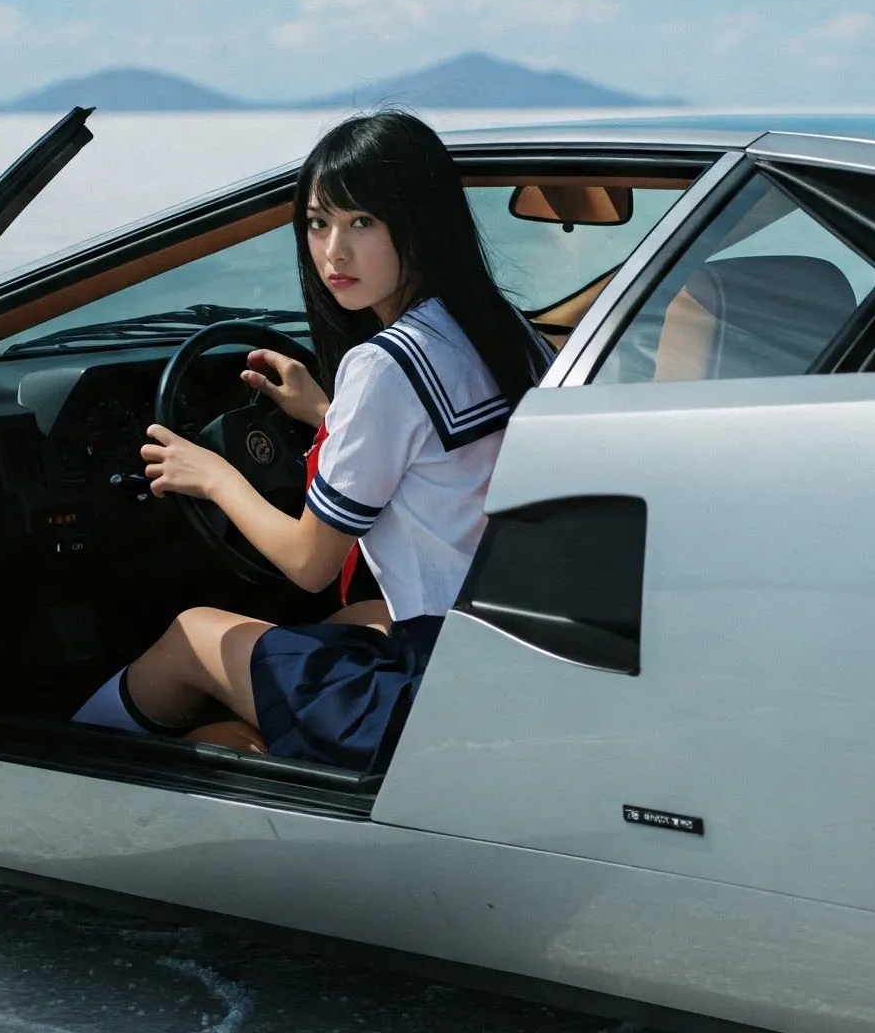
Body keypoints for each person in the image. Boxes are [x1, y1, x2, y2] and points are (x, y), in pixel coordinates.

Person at [71, 109, 551, 769]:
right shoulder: (503, 329)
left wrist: (215, 477)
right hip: (507, 652)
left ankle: (66, 767)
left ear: (418, 221)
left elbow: (309, 563)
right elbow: (444, 462)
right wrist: (328, 411)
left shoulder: (385, 365)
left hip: (439, 690)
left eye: (363, 222)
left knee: (191, 636)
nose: (334, 252)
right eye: (318, 223)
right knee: (345, 625)